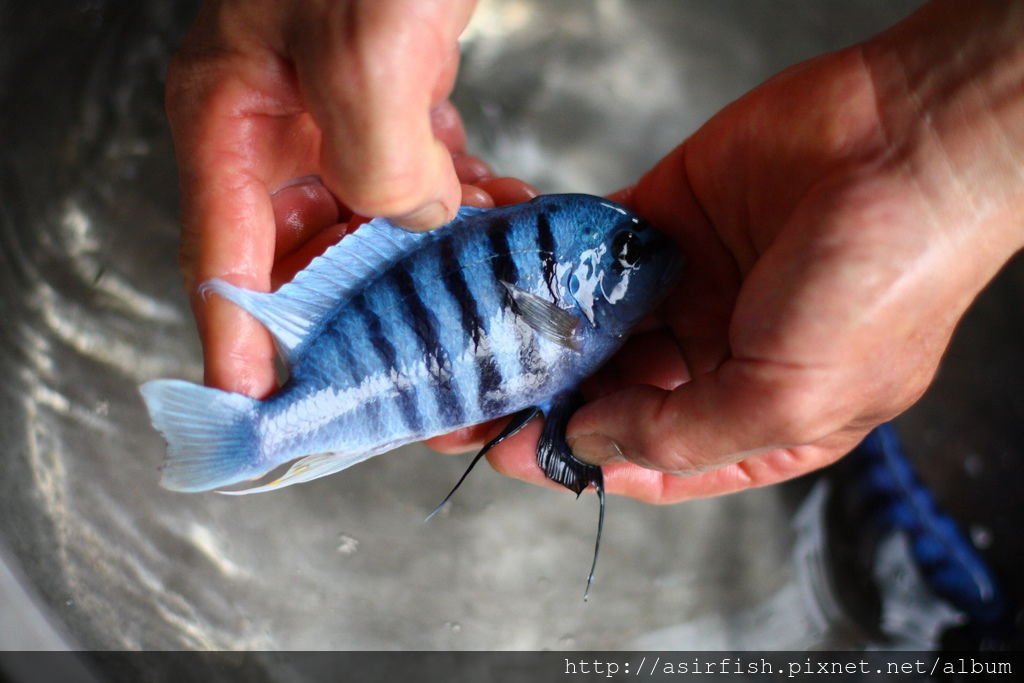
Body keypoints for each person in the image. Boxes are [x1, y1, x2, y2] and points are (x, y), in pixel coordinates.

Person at [165, 0, 1024, 504]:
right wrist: (944, 155)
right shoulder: (586, 306)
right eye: (631, 252)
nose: (654, 254)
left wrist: (945, 152)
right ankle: (267, 432)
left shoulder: (586, 298)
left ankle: (263, 432)